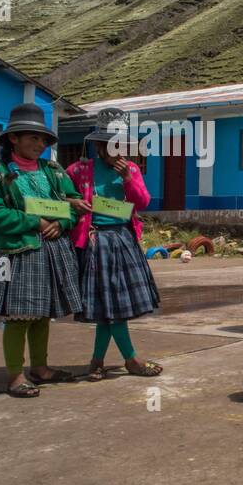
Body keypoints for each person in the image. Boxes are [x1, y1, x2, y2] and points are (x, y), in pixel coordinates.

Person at [0, 103, 85, 398]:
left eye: (43, 140)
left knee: (41, 314)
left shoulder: (54, 171)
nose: (40, 145)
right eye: (33, 138)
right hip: (17, 251)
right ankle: (14, 375)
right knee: (18, 315)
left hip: (52, 249)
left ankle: (41, 368)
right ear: (13, 139)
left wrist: (62, 223)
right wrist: (34, 221)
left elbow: (72, 205)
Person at [66, 110, 163, 380]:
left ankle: (97, 361)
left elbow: (142, 202)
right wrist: (74, 206)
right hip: (96, 241)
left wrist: (129, 180)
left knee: (113, 307)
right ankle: (129, 359)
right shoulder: (78, 170)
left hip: (122, 239)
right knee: (108, 308)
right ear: (99, 146)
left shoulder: (130, 169)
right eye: (112, 144)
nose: (119, 150)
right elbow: (64, 200)